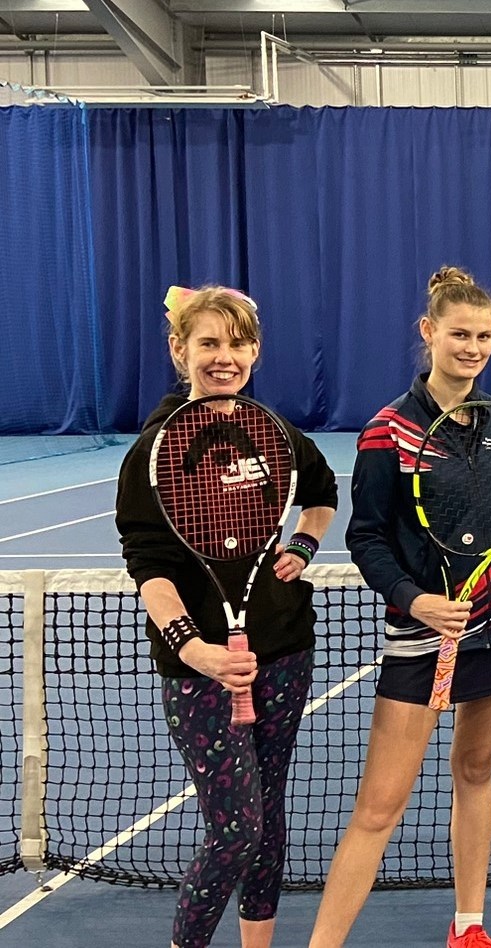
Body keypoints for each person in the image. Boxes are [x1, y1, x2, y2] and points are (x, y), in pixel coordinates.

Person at [309, 267, 491, 948]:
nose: (472, 347)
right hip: (421, 639)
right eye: (460, 334)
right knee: (379, 808)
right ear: (428, 332)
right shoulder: (387, 432)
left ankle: (469, 928)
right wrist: (415, 601)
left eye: (484, 336)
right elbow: (366, 536)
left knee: (475, 770)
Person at [115, 285, 337, 948]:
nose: (225, 357)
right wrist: (197, 650)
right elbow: (150, 569)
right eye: (209, 342)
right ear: (180, 349)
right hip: (200, 673)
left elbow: (321, 492)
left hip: (285, 651)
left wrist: (302, 544)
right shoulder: (151, 454)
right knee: (237, 826)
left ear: (256, 351)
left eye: (237, 343)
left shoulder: (273, 431)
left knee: (267, 824)